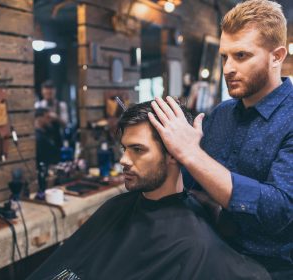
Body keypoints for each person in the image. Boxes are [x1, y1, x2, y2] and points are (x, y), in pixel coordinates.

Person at [27, 101, 270, 280]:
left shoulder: (193, 244)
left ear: (175, 154)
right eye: (124, 148)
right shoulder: (118, 207)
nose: (123, 159)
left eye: (138, 150)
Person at [149, 0, 292, 278]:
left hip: (269, 269)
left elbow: (280, 210)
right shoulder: (222, 114)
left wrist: (193, 154)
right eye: (224, 57)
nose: (227, 68)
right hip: (209, 251)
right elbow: (195, 181)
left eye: (241, 55)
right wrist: (164, 155)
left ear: (277, 56)